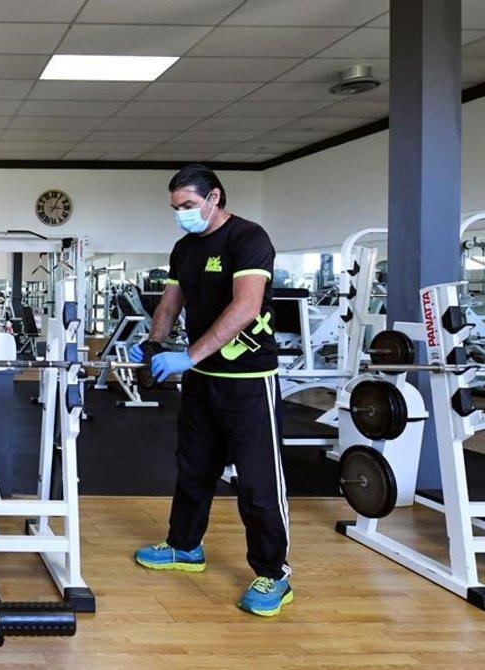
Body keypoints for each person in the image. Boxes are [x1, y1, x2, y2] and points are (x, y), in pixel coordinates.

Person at [129, 164, 291, 617]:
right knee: (194, 469)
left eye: (188, 205)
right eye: (176, 208)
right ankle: (184, 547)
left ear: (214, 197)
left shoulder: (248, 238)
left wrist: (190, 356)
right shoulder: (184, 247)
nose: (181, 214)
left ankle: (273, 573)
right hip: (203, 384)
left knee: (258, 484)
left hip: (249, 382)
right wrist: (154, 343)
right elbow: (170, 302)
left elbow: (246, 306)